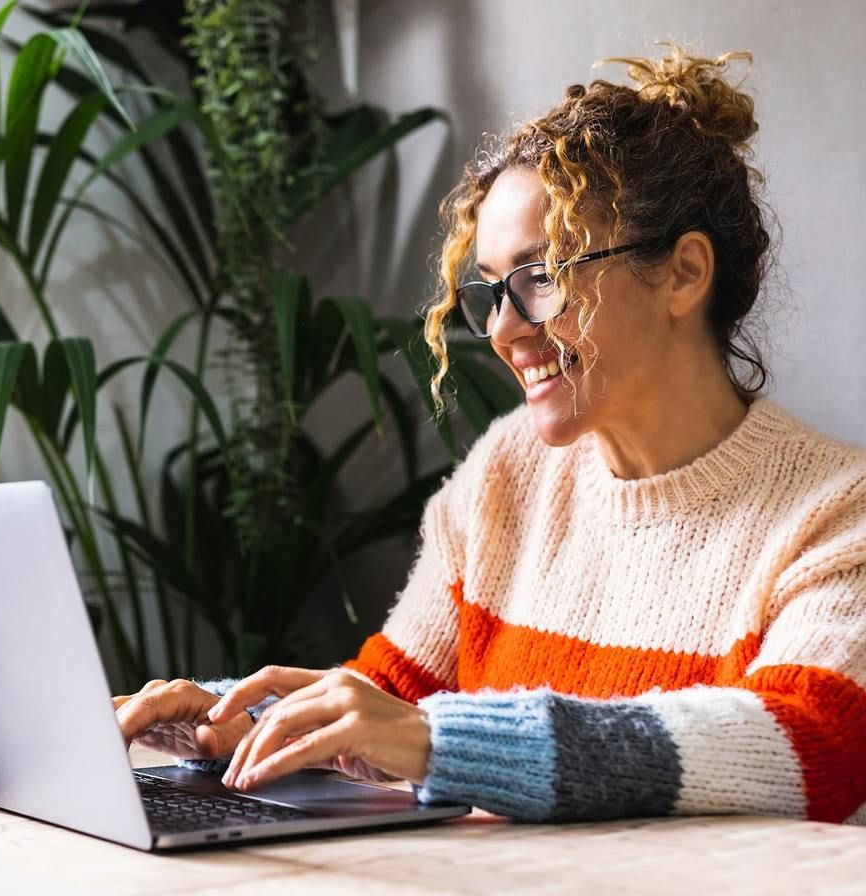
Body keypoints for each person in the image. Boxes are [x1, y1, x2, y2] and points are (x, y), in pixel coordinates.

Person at [112, 42, 866, 824]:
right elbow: (393, 704)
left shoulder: (839, 514)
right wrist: (234, 721)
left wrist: (439, 740)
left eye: (541, 278)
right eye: (492, 291)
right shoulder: (509, 470)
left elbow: (810, 746)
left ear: (684, 273)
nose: (503, 330)